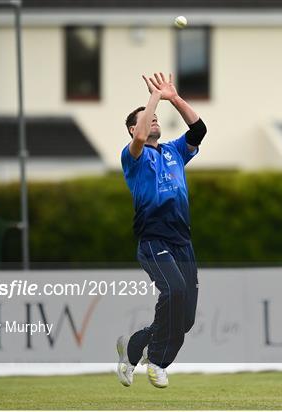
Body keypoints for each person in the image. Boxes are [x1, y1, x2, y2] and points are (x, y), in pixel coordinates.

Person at [117, 72, 207, 388]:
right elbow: (140, 138)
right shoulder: (133, 157)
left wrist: (172, 97)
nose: (154, 120)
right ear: (132, 128)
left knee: (185, 320)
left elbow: (199, 128)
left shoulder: (174, 151)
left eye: (157, 118)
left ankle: (134, 346)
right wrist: (152, 97)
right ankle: (157, 361)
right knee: (174, 291)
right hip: (154, 240)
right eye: (147, 119)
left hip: (183, 241)